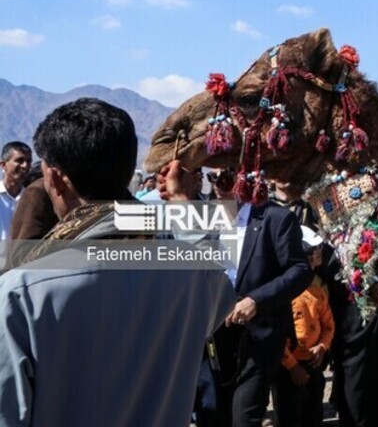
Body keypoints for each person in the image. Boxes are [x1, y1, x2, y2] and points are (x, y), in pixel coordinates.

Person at [0, 98, 235, 426]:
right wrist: (183, 202)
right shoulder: (190, 277)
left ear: (54, 177)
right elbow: (216, 281)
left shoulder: (21, 292)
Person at [226, 183, 314, 426]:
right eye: (215, 179)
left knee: (245, 417)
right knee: (213, 413)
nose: (221, 186)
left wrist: (257, 300)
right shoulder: (199, 216)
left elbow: (300, 270)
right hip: (214, 339)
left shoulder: (276, 218)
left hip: (258, 337)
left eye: (227, 177)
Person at [278, 226, 335, 427]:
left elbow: (328, 323)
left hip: (313, 362)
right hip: (289, 367)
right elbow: (276, 334)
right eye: (314, 249)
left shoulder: (318, 287)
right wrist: (292, 366)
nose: (319, 252)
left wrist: (322, 347)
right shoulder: (284, 291)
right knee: (291, 416)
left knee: (313, 413)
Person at [0, 141, 31, 265]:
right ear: (3, 165)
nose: (25, 166)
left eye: (28, 161)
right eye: (19, 160)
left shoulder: (30, 199)